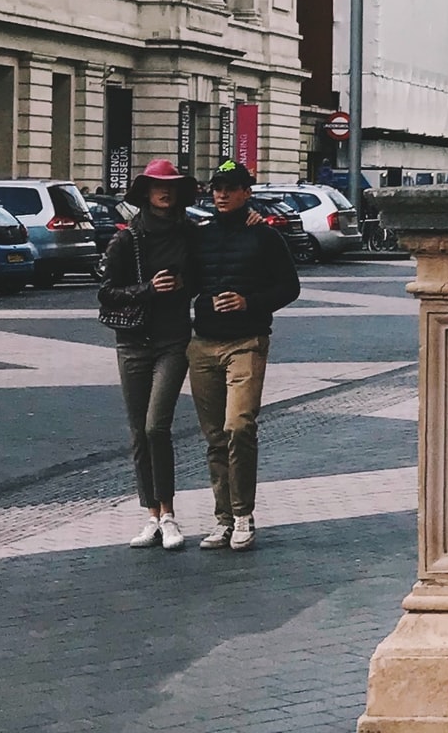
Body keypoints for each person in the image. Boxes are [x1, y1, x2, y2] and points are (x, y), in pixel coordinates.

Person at [187, 158, 301, 552]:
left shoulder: (265, 237)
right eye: (216, 188)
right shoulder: (199, 235)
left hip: (246, 342)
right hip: (202, 344)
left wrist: (248, 301)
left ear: (246, 194)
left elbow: (290, 287)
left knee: (239, 426)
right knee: (215, 436)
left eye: (230, 188)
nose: (221, 194)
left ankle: (243, 514)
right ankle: (223, 518)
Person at [102, 158, 200, 551]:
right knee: (138, 433)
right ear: (144, 193)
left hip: (173, 340)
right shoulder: (128, 239)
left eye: (172, 186)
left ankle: (171, 514)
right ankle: (152, 517)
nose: (165, 192)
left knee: (156, 426)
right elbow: (107, 291)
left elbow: (205, 274)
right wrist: (147, 290)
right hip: (132, 343)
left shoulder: (190, 234)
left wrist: (182, 282)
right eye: (158, 186)